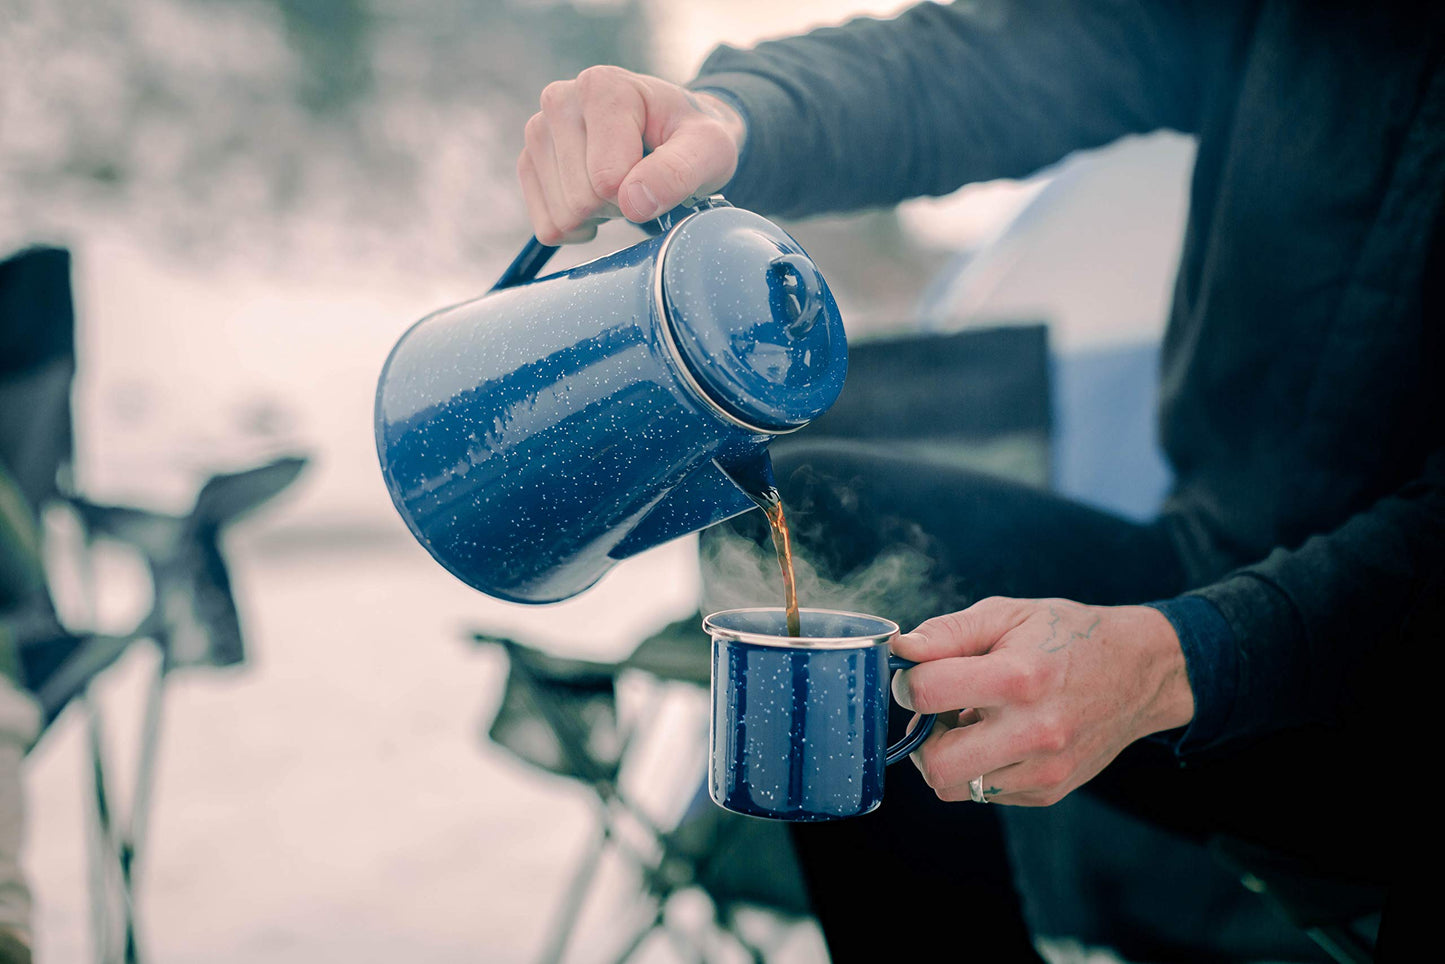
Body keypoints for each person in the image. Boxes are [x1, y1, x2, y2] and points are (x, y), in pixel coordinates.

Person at [517, 1, 1437, 958]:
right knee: (821, 520)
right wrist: (729, 113)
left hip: (1396, 709)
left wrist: (1177, 660)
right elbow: (991, 62)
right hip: (1214, 580)